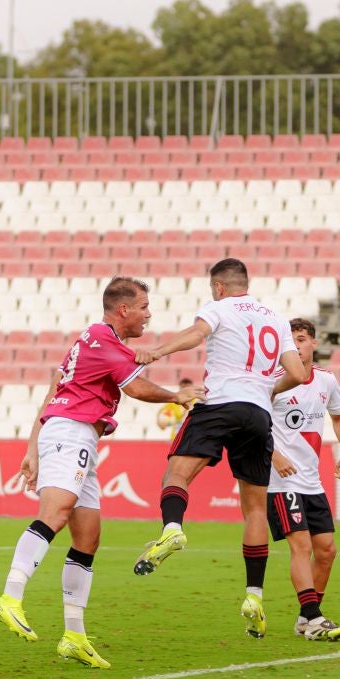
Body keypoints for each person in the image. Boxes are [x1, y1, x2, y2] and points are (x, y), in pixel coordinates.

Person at [0, 277, 196, 667]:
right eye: (144, 307)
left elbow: (55, 386)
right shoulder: (102, 340)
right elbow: (135, 390)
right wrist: (176, 395)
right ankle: (10, 596)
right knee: (55, 513)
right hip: (70, 431)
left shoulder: (94, 339)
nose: (148, 314)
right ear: (123, 310)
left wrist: (33, 445)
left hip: (74, 433)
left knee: (88, 537)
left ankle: (73, 635)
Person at [129, 258, 309, 640]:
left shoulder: (218, 308)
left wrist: (157, 353)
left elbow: (196, 335)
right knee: (255, 508)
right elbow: (298, 373)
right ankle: (254, 596)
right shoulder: (276, 318)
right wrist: (264, 391)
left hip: (220, 402)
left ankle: (173, 528)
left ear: (218, 287)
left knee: (176, 473)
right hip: (259, 414)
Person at [268, 318, 340, 641]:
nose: (297, 345)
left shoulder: (326, 381)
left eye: (302, 339)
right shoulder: (271, 382)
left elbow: (339, 416)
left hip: (311, 482)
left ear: (313, 344)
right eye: (291, 340)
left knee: (327, 550)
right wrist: (274, 455)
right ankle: (314, 617)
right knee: (301, 546)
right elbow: (254, 425)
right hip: (280, 481)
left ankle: (306, 618)